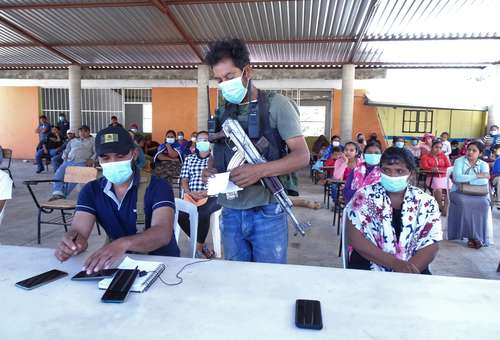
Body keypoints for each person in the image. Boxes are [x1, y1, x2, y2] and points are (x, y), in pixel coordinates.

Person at [202, 38, 309, 264]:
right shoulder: (222, 112)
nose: (224, 84)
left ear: (247, 71)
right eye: (219, 79)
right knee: (237, 280)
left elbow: (302, 156)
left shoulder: (277, 105)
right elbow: (217, 153)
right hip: (229, 210)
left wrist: (259, 171)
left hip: (267, 210)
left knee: (269, 280)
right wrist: (210, 169)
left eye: (229, 77)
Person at [54, 126, 179, 272]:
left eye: (120, 156)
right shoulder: (91, 191)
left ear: (134, 154)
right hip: (119, 264)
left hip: (164, 264)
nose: (113, 162)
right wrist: (72, 242)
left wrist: (122, 244)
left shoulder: (158, 186)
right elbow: (79, 232)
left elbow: (163, 233)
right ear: (98, 159)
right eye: (105, 158)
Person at [346, 147, 442, 273]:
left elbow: (432, 242)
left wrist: (409, 269)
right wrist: (396, 264)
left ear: (411, 173)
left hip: (413, 265)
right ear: (380, 170)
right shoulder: (364, 196)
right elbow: (354, 237)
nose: (392, 175)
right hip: (369, 262)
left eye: (399, 171)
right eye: (386, 170)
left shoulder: (426, 202)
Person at [179, 131, 221, 258]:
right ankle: (202, 246)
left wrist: (207, 192)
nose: (203, 142)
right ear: (196, 142)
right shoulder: (189, 159)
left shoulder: (216, 158)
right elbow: (184, 180)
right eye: (200, 140)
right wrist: (189, 192)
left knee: (203, 212)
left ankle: (198, 249)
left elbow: (220, 179)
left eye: (206, 140)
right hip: (191, 195)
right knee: (181, 215)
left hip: (213, 195)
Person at [448, 140, 491, 249]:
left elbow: (485, 181)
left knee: (484, 204)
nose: (470, 152)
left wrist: (467, 179)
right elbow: (457, 178)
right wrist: (477, 176)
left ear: (480, 153)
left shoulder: (484, 164)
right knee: (464, 203)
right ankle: (472, 237)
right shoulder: (459, 161)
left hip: (478, 193)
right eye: (469, 149)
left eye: (474, 150)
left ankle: (478, 236)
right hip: (458, 191)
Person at [49, 125, 95, 201]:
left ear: (89, 132)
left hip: (82, 161)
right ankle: (57, 193)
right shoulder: (73, 141)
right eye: (81, 131)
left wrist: (92, 159)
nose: (82, 133)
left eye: (85, 131)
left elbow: (96, 152)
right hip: (69, 161)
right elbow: (66, 150)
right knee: (58, 174)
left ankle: (62, 194)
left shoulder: (92, 141)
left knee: (73, 177)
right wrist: (65, 157)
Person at [420, 139, 451, 215]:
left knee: (449, 191)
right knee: (438, 190)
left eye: (440, 148)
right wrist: (431, 169)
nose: (438, 149)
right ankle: (440, 207)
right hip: (432, 177)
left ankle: (445, 209)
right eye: (436, 147)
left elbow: (448, 166)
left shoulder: (443, 156)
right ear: (431, 147)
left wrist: (439, 169)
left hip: (444, 177)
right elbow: (424, 167)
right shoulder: (425, 157)